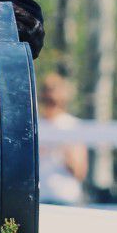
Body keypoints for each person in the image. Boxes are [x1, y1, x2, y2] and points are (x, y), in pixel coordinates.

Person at [38, 73, 90, 205]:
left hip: (67, 199)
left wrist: (65, 151)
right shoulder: (34, 126)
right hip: (39, 199)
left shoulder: (73, 126)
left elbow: (80, 172)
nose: (51, 104)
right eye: (48, 100)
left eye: (55, 101)